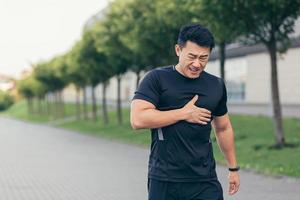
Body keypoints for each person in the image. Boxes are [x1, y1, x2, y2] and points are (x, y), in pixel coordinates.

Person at [130, 24, 240, 200]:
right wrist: (183, 113)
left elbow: (223, 128)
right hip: (165, 179)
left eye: (203, 58)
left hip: (205, 180)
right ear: (178, 50)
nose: (197, 64)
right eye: (192, 56)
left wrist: (233, 168)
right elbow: (138, 119)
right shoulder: (156, 79)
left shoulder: (216, 85)